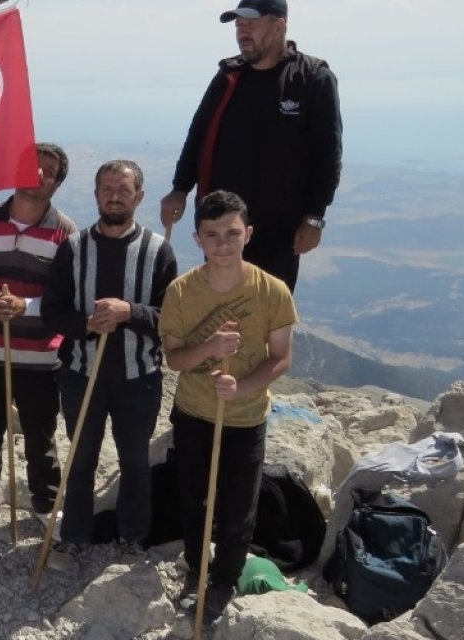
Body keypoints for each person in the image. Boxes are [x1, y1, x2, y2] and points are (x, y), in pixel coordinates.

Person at [159, 191, 297, 627]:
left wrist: (241, 388)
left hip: (246, 417)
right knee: (195, 502)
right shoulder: (181, 292)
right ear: (198, 238)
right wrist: (211, 348)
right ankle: (197, 573)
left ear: (248, 234)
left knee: (239, 508)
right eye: (213, 234)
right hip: (194, 412)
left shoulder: (272, 291)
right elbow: (175, 359)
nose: (223, 243)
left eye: (232, 233)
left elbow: (281, 358)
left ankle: (224, 581)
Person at [40, 160, 178, 567]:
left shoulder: (158, 251)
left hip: (140, 377)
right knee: (81, 458)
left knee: (135, 461)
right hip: (82, 373)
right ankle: (75, 536)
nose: (114, 196)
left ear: (139, 196)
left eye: (124, 189)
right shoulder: (74, 248)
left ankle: (133, 537)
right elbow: (52, 311)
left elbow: (171, 319)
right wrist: (86, 323)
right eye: (106, 189)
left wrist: (128, 311)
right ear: (96, 194)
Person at [159, 0, 342, 291]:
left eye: (251, 23)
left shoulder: (312, 78)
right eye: (238, 25)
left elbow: (327, 156)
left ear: (278, 25)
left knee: (266, 318)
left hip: (279, 231)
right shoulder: (228, 77)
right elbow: (198, 136)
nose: (242, 32)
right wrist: (179, 189)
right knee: (219, 316)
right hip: (221, 227)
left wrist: (314, 217)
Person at [0, 143, 77, 538]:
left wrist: (23, 305)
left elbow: (64, 299)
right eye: (33, 167)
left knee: (41, 437)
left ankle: (45, 504)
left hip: (42, 358)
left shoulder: (67, 234)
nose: (39, 175)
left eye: (49, 171)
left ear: (57, 183)